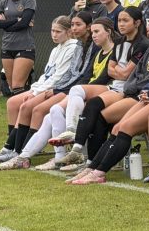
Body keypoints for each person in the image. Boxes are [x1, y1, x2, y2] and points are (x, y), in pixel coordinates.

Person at [62, 11, 149, 184]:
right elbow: (137, 72)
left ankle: (98, 170)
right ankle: (92, 166)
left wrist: (138, 89)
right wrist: (130, 87)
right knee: (105, 119)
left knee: (120, 126)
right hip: (136, 93)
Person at [0, 12, 95, 168]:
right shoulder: (57, 49)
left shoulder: (75, 47)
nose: (54, 35)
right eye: (52, 31)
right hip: (56, 87)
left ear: (68, 32)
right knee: (13, 102)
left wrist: (43, 92)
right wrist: (34, 89)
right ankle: (10, 148)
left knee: (32, 108)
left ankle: (21, 152)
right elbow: (48, 74)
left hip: (63, 89)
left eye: (58, 31)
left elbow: (63, 76)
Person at [53, 9, 149, 169]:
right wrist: (119, 72)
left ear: (137, 23)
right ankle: (78, 146)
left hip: (129, 91)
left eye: (125, 20)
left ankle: (84, 156)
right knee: (79, 96)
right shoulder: (119, 42)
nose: (121, 24)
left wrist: (118, 72)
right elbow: (111, 70)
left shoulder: (143, 44)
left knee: (93, 107)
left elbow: (125, 74)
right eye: (119, 20)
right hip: (115, 86)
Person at [45, 17, 116, 172]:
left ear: (109, 32)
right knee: (54, 111)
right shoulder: (98, 53)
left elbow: (104, 79)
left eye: (97, 31)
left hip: (107, 91)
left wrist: (84, 91)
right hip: (90, 90)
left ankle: (73, 134)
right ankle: (23, 154)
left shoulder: (115, 51)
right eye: (93, 32)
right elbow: (86, 75)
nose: (94, 35)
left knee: (79, 95)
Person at [0, 0, 36, 95]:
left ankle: (24, 113)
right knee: (12, 87)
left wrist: (6, 24)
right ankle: (16, 114)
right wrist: (15, 20)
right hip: (7, 47)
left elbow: (23, 24)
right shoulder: (3, 2)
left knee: (17, 86)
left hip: (24, 47)